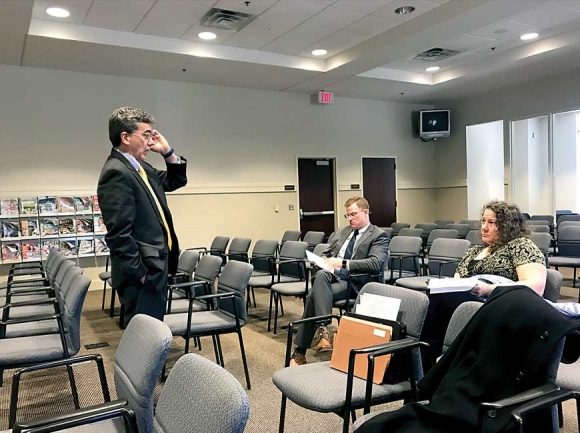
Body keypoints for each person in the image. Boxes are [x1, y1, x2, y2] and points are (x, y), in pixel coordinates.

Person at [421, 200, 547, 365]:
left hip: (499, 302)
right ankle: (426, 360)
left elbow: (536, 286)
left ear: (508, 225)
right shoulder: (474, 250)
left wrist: (490, 289)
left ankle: (429, 362)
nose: (484, 227)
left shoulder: (520, 246)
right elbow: (458, 279)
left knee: (439, 302)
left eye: (491, 222)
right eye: (483, 221)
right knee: (432, 297)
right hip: (468, 299)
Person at [97, 107, 187, 326]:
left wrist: (167, 153)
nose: (150, 141)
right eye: (146, 134)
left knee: (153, 333)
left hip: (154, 267)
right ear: (125, 137)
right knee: (145, 340)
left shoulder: (140, 168)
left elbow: (175, 181)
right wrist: (140, 274)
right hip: (143, 274)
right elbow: (119, 234)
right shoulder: (117, 172)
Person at [290, 196, 390, 366]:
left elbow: (375, 263)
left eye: (353, 214)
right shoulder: (342, 232)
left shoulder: (379, 236)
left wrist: (344, 263)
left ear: (365, 213)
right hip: (333, 277)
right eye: (348, 215)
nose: (350, 219)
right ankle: (322, 330)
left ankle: (301, 350)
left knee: (314, 295)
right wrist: (321, 260)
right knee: (321, 276)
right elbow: (328, 252)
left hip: (356, 282)